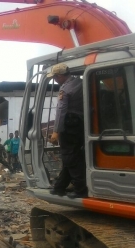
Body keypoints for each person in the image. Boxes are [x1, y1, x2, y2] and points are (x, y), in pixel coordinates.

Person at [47, 63, 87, 199]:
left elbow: (61, 111)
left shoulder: (65, 89)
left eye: (55, 78)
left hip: (70, 126)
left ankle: (81, 189)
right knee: (71, 156)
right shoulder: (80, 83)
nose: (55, 80)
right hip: (81, 125)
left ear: (59, 76)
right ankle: (60, 187)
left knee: (70, 157)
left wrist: (56, 131)